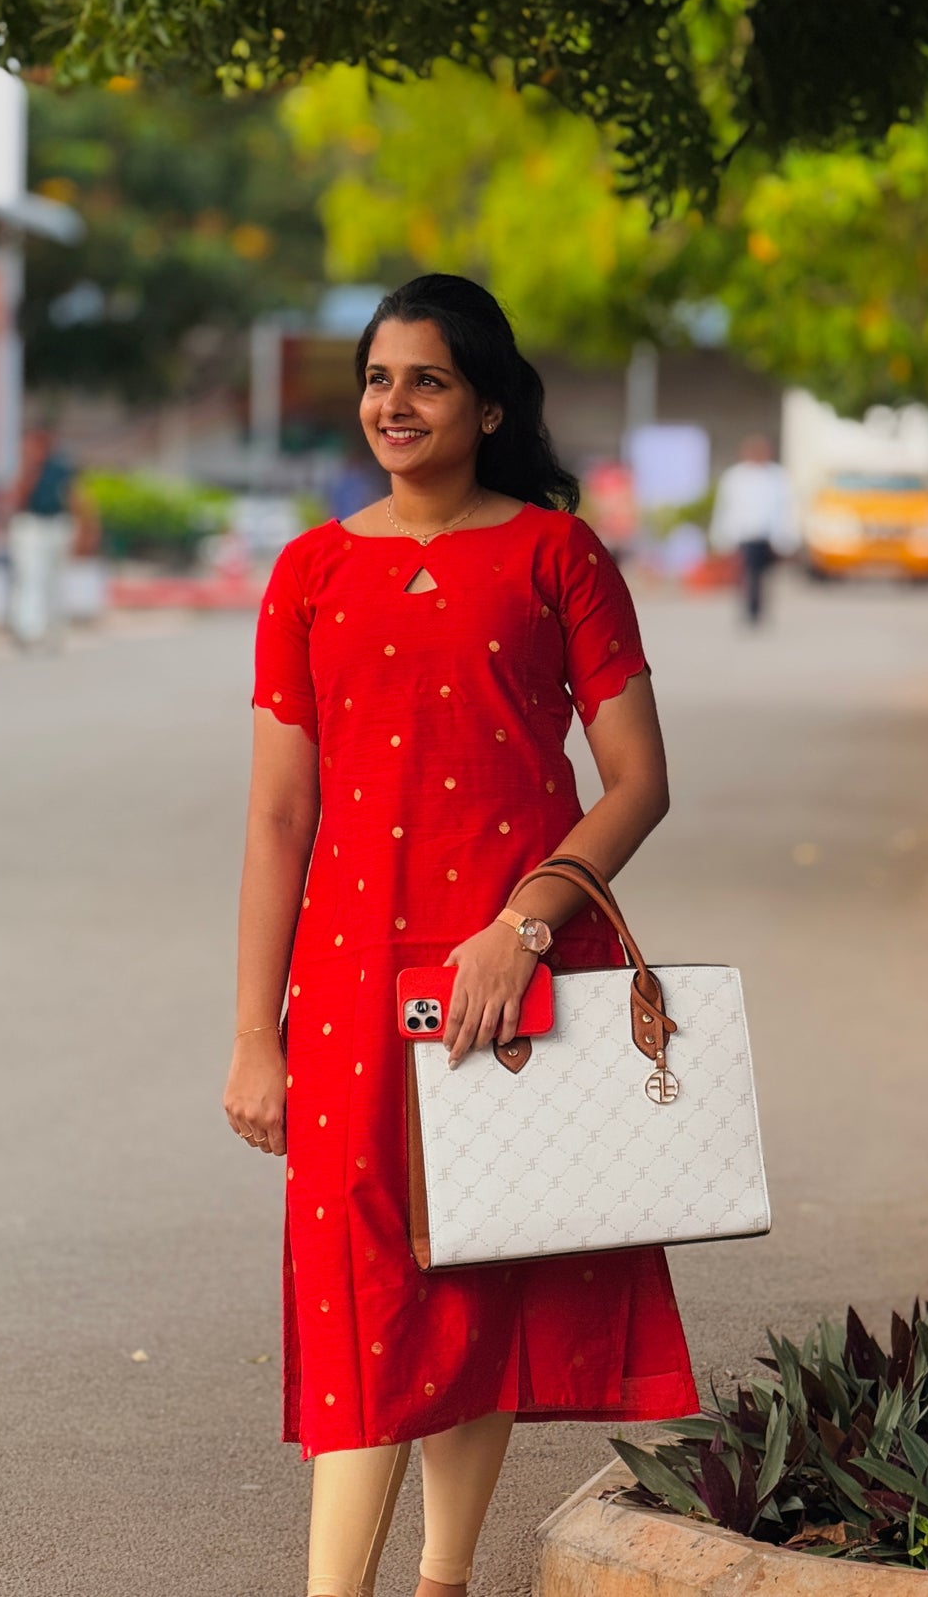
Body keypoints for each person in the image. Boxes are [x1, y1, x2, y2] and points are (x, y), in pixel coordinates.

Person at [223, 275, 697, 1597]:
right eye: (378, 377)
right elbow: (276, 816)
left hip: (507, 964)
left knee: (471, 1260)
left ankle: (441, 1577)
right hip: (347, 978)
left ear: (489, 403)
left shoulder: (557, 554)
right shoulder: (310, 567)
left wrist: (522, 928)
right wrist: (252, 1031)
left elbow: (638, 779)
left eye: (426, 378)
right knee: (358, 1276)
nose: (394, 401)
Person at [709, 435, 797, 625]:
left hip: (767, 536)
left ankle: (758, 608)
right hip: (743, 534)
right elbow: (725, 508)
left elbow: (785, 509)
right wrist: (722, 536)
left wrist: (786, 538)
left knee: (762, 575)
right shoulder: (735, 476)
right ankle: (749, 609)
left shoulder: (777, 476)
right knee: (747, 573)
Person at [6, 425, 78, 649]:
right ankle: (28, 629)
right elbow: (18, 497)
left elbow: (74, 496)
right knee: (30, 577)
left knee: (53, 580)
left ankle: (52, 628)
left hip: (56, 525)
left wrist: (83, 530)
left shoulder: (60, 468)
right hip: (31, 526)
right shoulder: (25, 467)